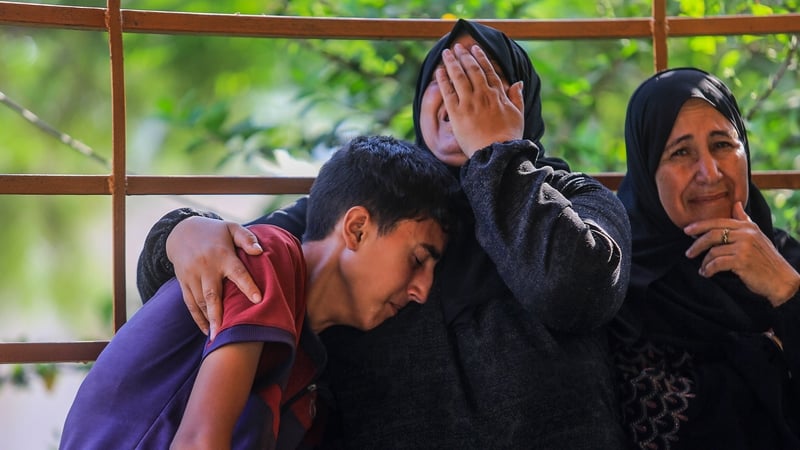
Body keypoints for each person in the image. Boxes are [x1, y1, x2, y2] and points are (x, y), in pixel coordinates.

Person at [137, 19, 632, 448]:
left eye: (483, 79)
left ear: (521, 104)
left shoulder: (574, 200)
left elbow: (575, 291)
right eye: (443, 79)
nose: (461, 94)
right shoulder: (373, 208)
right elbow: (230, 272)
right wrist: (180, 234)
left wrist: (498, 155)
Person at [60, 135, 457, 449]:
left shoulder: (311, 372)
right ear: (357, 229)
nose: (422, 290)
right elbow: (199, 443)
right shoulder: (267, 255)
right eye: (418, 259)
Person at [610, 67, 800, 449]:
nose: (709, 172)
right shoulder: (623, 292)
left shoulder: (787, 259)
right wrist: (771, 353)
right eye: (680, 152)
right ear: (647, 171)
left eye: (722, 145)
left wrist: (787, 291)